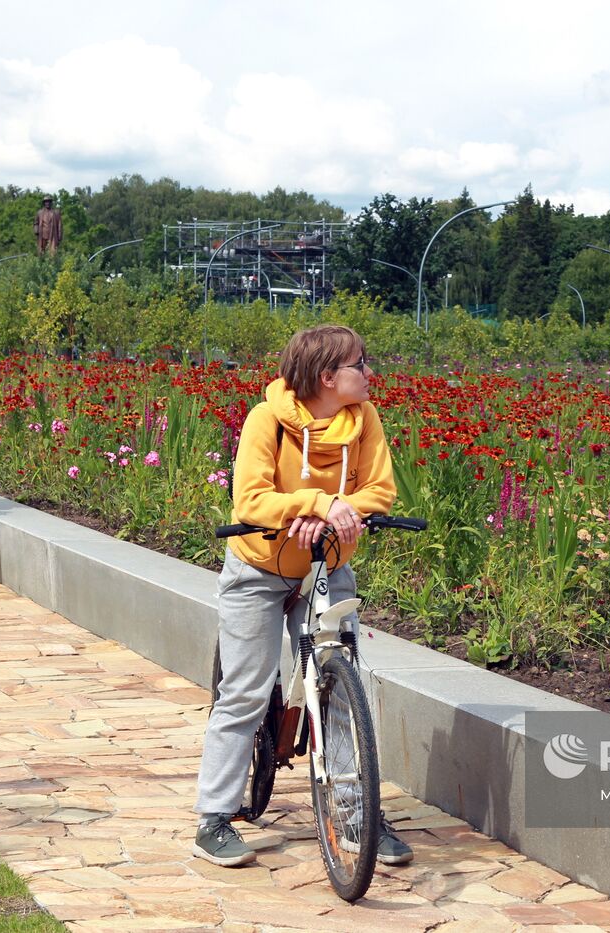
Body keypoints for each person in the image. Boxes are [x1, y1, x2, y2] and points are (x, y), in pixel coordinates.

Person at [193, 324, 412, 868]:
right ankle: (214, 817)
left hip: (327, 567)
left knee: (341, 689)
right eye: (362, 363)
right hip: (259, 566)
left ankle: (357, 811)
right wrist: (316, 504)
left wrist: (342, 515)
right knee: (243, 691)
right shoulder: (266, 419)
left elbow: (379, 490)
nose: (370, 372)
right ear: (327, 376)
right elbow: (251, 500)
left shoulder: (365, 420)